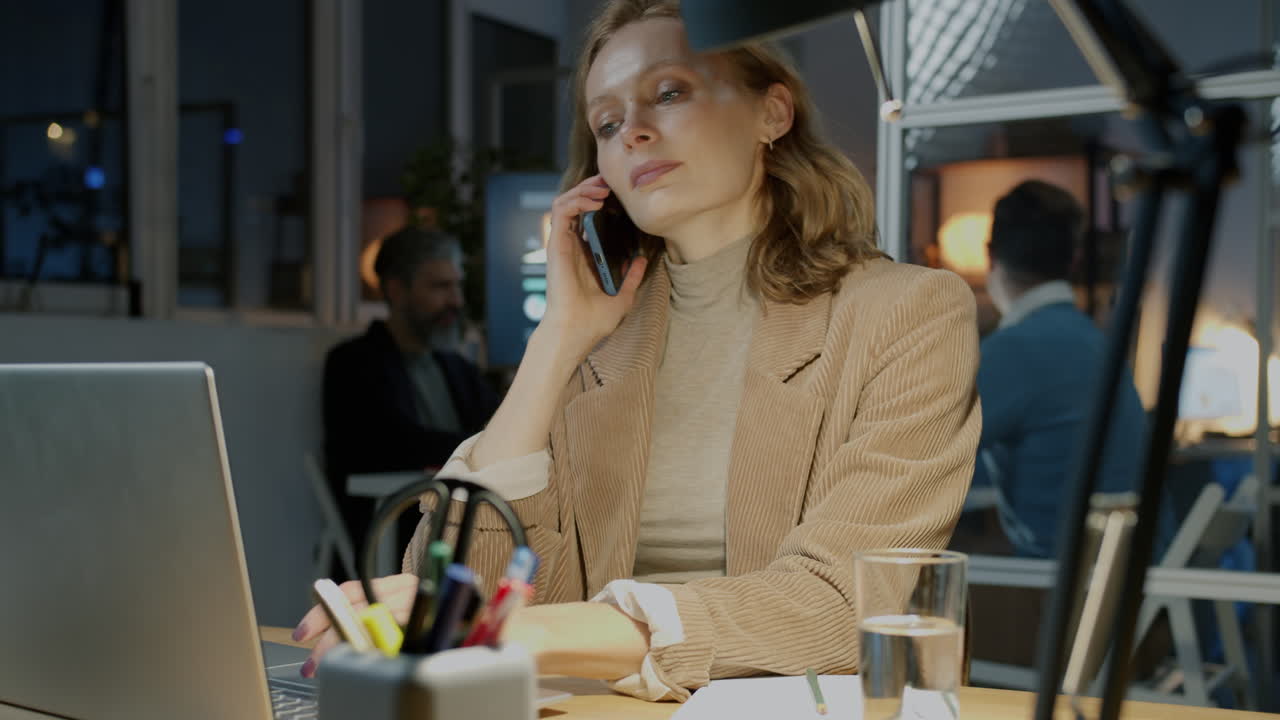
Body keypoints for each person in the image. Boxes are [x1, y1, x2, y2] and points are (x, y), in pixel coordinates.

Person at [296, 0, 981, 700]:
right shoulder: (597, 339)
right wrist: (555, 343)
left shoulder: (908, 313)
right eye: (607, 123)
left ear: (772, 114)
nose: (635, 133)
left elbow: (848, 601)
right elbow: (469, 577)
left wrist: (518, 632)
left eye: (669, 92)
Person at [974, 180, 1147, 558]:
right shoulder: (1096, 342)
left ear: (990, 257)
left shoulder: (1012, 350)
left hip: (1060, 583)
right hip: (1127, 569)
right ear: (1073, 261)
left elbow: (924, 452)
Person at [321, 226, 500, 570]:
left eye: (457, 285)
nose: (456, 301)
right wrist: (479, 446)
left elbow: (500, 423)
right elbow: (393, 443)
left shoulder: (458, 368)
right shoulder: (353, 363)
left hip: (466, 530)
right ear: (396, 290)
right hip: (391, 538)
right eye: (440, 287)